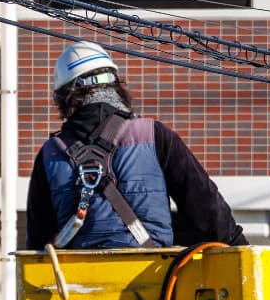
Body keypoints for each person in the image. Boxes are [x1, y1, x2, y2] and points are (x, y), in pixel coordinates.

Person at [25, 41, 247, 251]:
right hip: (154, 275)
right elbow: (205, 207)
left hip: (75, 284)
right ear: (116, 86)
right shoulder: (154, 135)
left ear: (64, 97)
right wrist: (242, 250)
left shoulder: (50, 153)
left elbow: (38, 238)